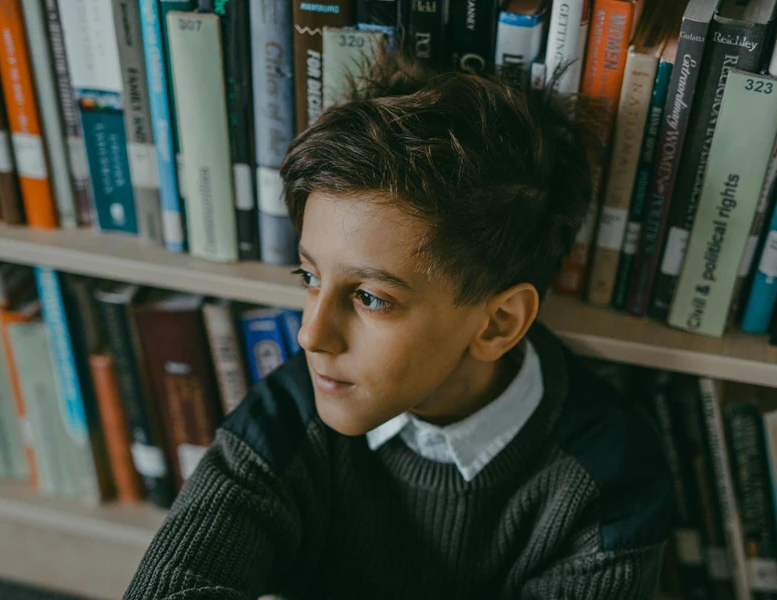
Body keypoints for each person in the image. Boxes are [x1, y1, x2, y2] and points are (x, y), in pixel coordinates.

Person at [124, 53, 673, 600]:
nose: (311, 336)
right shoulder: (291, 415)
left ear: (497, 324)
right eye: (309, 276)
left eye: (369, 297)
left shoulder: (609, 481)